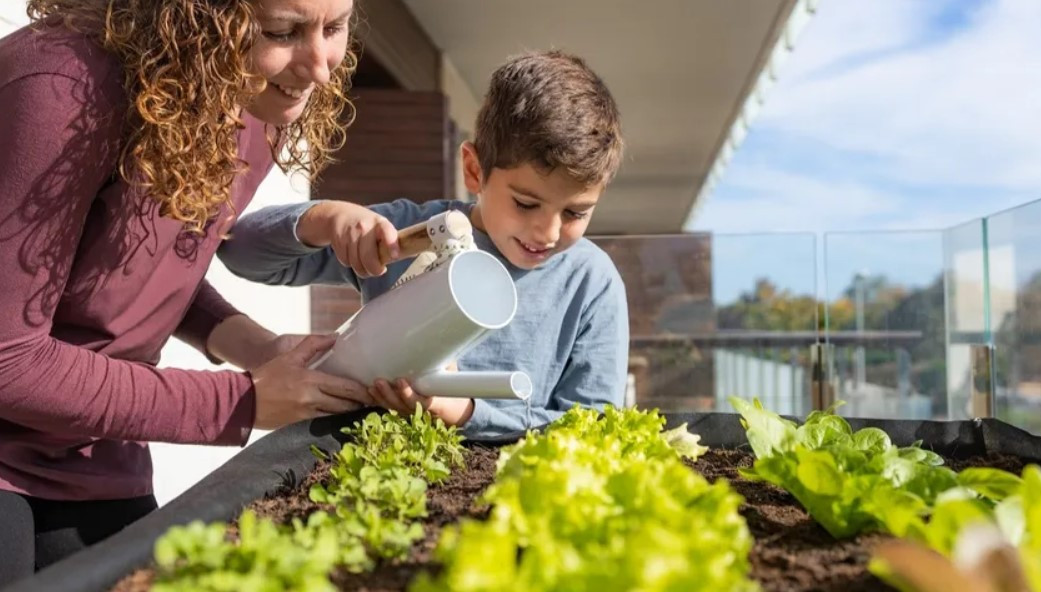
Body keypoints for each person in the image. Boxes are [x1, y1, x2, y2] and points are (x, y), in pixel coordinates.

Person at [0, 0, 371, 581]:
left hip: (93, 454)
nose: (321, 66)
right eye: (282, 31)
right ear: (196, 18)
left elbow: (136, 267)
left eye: (335, 27)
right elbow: (9, 360)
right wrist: (240, 403)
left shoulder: (245, 96)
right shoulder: (62, 90)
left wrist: (260, 350)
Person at [218, 50, 630, 440]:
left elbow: (594, 430)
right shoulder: (413, 233)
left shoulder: (591, 282)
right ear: (474, 170)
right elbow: (239, 252)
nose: (549, 232)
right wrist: (325, 220)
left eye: (575, 213)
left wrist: (468, 414)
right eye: (526, 204)